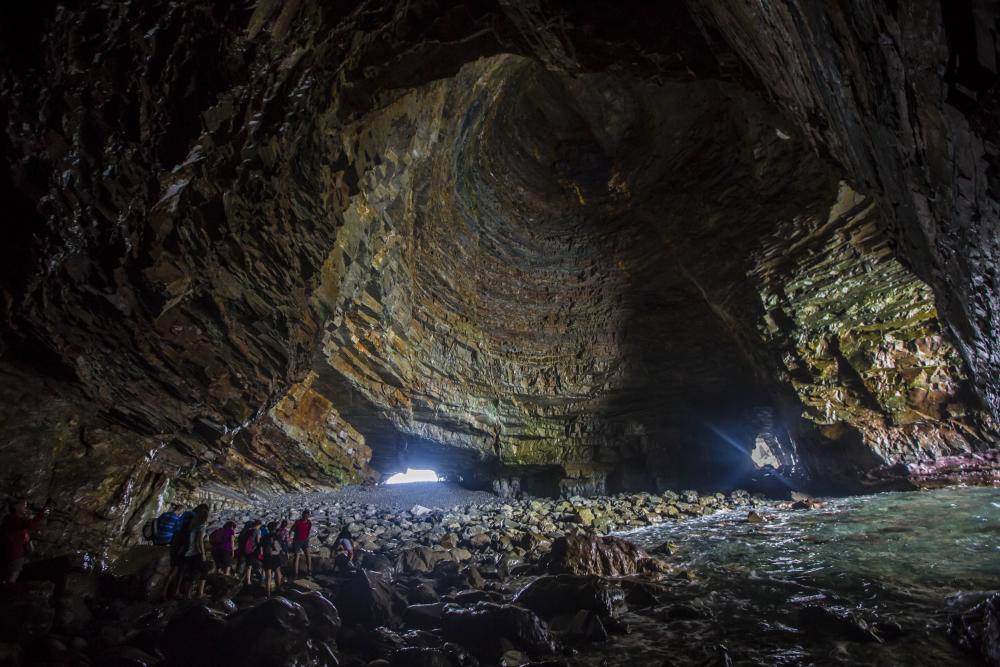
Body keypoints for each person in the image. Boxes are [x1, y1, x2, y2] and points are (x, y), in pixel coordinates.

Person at [1, 499, 50, 584]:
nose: (26, 507)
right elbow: (30, 524)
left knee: (11, 577)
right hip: (12, 554)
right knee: (10, 580)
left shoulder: (15, 520)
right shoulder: (12, 519)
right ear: (15, 506)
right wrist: (42, 513)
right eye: (23, 504)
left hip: (15, 554)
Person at [161, 506, 194, 599]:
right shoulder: (187, 532)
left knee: (172, 571)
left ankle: (164, 591)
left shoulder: (178, 527)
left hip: (173, 550)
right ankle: (173, 591)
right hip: (180, 554)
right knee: (178, 572)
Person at [181, 504, 210, 599]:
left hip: (188, 552)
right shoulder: (202, 526)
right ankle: (200, 593)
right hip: (195, 552)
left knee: (192, 572)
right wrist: (202, 554)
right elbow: (199, 541)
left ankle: (187, 594)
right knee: (205, 571)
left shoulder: (193, 525)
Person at [260, 521, 283, 597]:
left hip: (267, 557)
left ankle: (268, 593)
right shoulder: (277, 536)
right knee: (277, 572)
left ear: (268, 528)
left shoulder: (264, 537)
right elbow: (279, 548)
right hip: (275, 557)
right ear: (275, 528)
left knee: (268, 575)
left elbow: (260, 546)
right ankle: (278, 589)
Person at [239, 519, 262, 585]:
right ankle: (248, 580)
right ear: (259, 525)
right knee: (250, 565)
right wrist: (260, 549)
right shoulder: (257, 531)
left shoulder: (247, 530)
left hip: (244, 549)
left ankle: (242, 578)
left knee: (244, 564)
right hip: (251, 550)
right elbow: (257, 541)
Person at [290, 510, 312, 577]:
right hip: (297, 541)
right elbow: (292, 529)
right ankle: (296, 573)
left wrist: (307, 537)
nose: (306, 517)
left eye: (307, 516)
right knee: (297, 556)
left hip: (305, 540)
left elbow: (308, 531)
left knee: (308, 555)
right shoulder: (298, 522)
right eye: (305, 515)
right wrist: (290, 538)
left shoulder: (309, 522)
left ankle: (309, 570)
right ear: (302, 515)